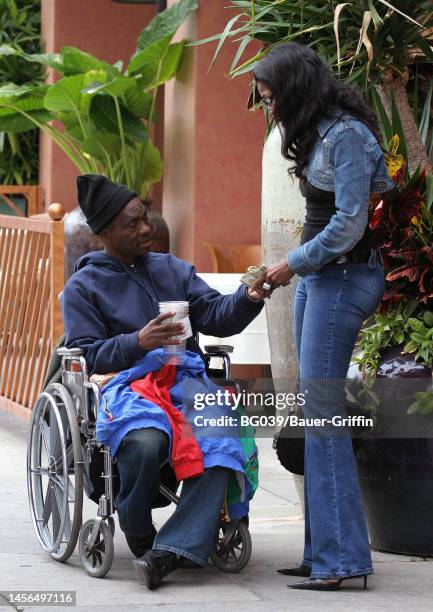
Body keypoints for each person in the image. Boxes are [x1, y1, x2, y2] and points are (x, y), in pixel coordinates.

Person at [61, 174, 266, 589]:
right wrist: (139, 341)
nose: (145, 229)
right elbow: (86, 354)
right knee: (145, 442)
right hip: (125, 386)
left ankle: (169, 552)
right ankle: (137, 527)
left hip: (185, 381)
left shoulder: (171, 269)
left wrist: (249, 296)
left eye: (145, 219)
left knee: (222, 440)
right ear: (104, 233)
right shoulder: (84, 286)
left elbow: (216, 314)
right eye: (131, 224)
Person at [251, 42, 393, 591]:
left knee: (326, 417)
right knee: (314, 416)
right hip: (318, 279)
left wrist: (291, 262)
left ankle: (343, 561)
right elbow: (318, 217)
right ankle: (322, 553)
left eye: (270, 98)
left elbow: (350, 225)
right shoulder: (318, 133)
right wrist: (292, 266)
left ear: (294, 90)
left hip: (343, 278)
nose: (268, 109)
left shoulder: (349, 137)